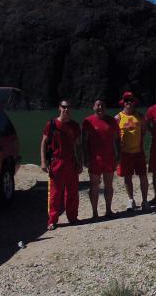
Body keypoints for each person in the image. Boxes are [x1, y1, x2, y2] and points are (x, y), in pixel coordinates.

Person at [40, 100, 83, 230]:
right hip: (56, 162)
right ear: (59, 108)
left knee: (72, 192)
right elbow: (44, 143)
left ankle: (72, 217)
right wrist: (43, 161)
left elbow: (79, 146)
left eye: (68, 107)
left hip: (71, 162)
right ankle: (52, 220)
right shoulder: (51, 124)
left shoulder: (75, 126)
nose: (66, 109)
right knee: (55, 193)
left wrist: (80, 163)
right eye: (63, 107)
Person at [82, 98, 120, 219]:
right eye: (98, 105)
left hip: (109, 157)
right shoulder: (87, 121)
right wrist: (85, 158)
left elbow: (117, 139)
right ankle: (95, 213)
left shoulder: (112, 121)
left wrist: (119, 155)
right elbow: (84, 142)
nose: (100, 108)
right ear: (93, 107)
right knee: (94, 186)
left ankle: (108, 210)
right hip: (94, 159)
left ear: (105, 107)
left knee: (108, 184)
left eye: (102, 105)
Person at [115, 91, 149, 210]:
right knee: (127, 177)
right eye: (126, 100)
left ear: (134, 102)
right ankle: (131, 200)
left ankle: (145, 201)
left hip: (139, 152)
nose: (128, 102)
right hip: (124, 153)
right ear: (123, 103)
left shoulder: (140, 117)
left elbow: (144, 131)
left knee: (143, 176)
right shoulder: (118, 118)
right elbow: (114, 136)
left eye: (131, 100)